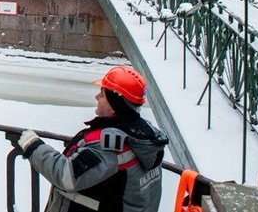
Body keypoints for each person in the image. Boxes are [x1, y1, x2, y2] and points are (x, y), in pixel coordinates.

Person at [18, 66, 169, 212]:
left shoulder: (110, 147)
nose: (96, 97)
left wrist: (34, 146)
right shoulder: (145, 138)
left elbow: (66, 175)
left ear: (114, 105)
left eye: (102, 95)